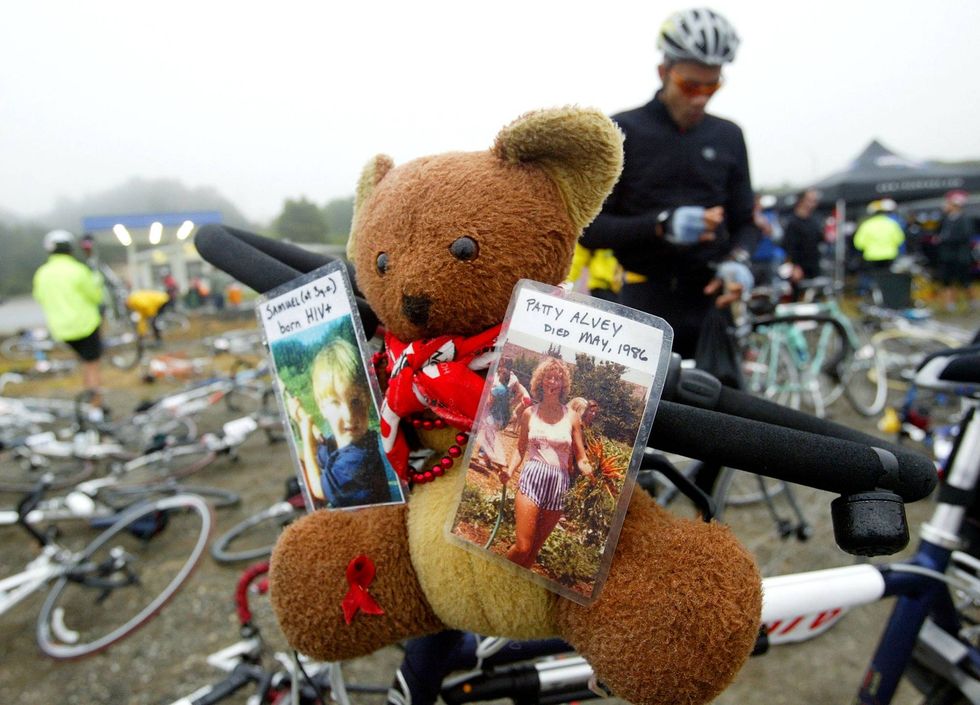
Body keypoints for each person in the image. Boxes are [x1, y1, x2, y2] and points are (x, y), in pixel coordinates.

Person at [578, 7, 759, 368]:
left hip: (708, 303)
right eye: (690, 85)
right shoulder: (623, 130)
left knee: (718, 421)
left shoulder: (728, 135)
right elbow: (590, 229)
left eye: (712, 85)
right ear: (664, 72)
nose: (700, 98)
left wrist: (738, 261)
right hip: (639, 302)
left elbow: (746, 221)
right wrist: (660, 225)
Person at [499, 357, 592, 569]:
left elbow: (580, 456)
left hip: (559, 486)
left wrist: (588, 469)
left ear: (563, 385)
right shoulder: (529, 413)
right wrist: (510, 470)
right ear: (541, 381)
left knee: (532, 553)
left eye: (558, 379)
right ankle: (495, 573)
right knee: (523, 546)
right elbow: (521, 449)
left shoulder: (572, 417)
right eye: (548, 377)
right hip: (532, 479)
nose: (553, 382)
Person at [287, 336, 400, 509]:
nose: (349, 415)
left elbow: (318, 490)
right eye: (335, 403)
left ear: (368, 399)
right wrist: (300, 418)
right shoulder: (350, 441)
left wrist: (305, 433)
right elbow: (323, 453)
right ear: (321, 407)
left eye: (355, 401)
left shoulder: (358, 457)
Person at [32, 230, 105, 407]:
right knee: (92, 364)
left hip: (61, 330)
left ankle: (88, 396)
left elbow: (39, 297)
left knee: (84, 362)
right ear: (70, 249)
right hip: (85, 325)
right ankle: (96, 406)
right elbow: (96, 296)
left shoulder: (42, 273)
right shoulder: (78, 270)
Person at [936, 189, 976, 312]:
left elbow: (965, 236)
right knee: (947, 280)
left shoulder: (964, 219)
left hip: (960, 255)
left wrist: (945, 239)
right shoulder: (945, 219)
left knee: (964, 280)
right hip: (948, 256)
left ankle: (972, 301)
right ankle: (950, 304)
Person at [782, 189, 824, 282]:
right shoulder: (792, 222)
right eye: (810, 200)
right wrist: (794, 267)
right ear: (801, 201)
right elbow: (788, 247)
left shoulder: (814, 221)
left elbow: (818, 239)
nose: (813, 203)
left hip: (813, 266)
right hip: (798, 269)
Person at [853, 199, 905, 271]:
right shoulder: (892, 224)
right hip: (889, 255)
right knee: (887, 276)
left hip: (871, 256)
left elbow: (859, 243)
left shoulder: (866, 225)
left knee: (874, 277)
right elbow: (899, 239)